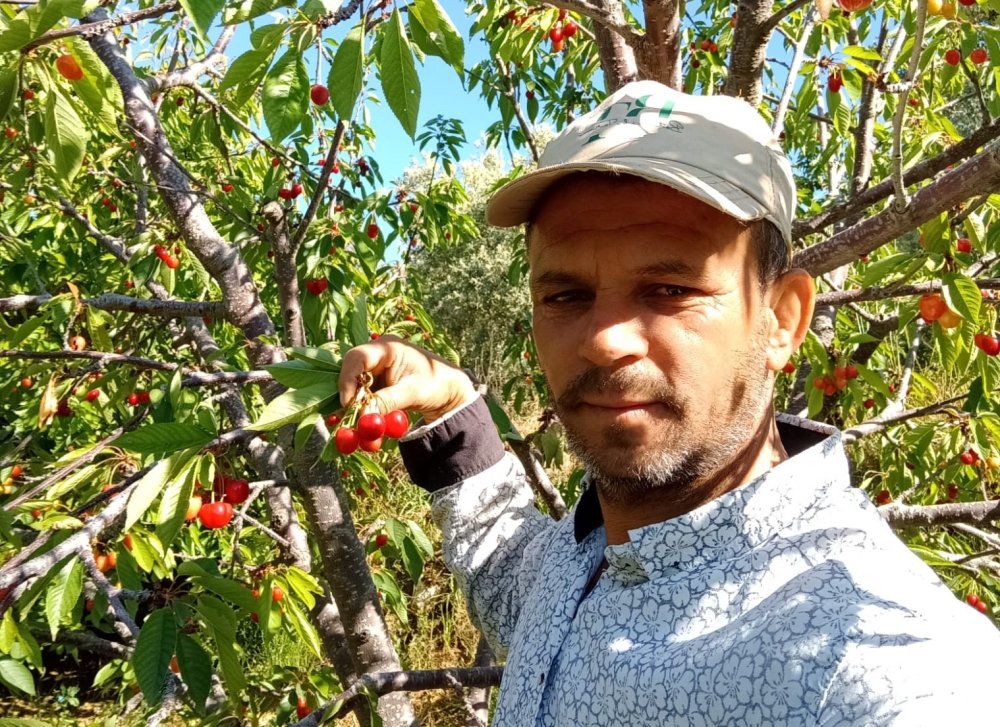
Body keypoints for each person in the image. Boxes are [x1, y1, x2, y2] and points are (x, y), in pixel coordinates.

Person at [338, 80, 999, 725]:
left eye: (669, 288)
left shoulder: (882, 664)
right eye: (565, 296)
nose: (603, 340)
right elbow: (509, 569)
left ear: (781, 320)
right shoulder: (584, 559)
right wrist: (452, 408)